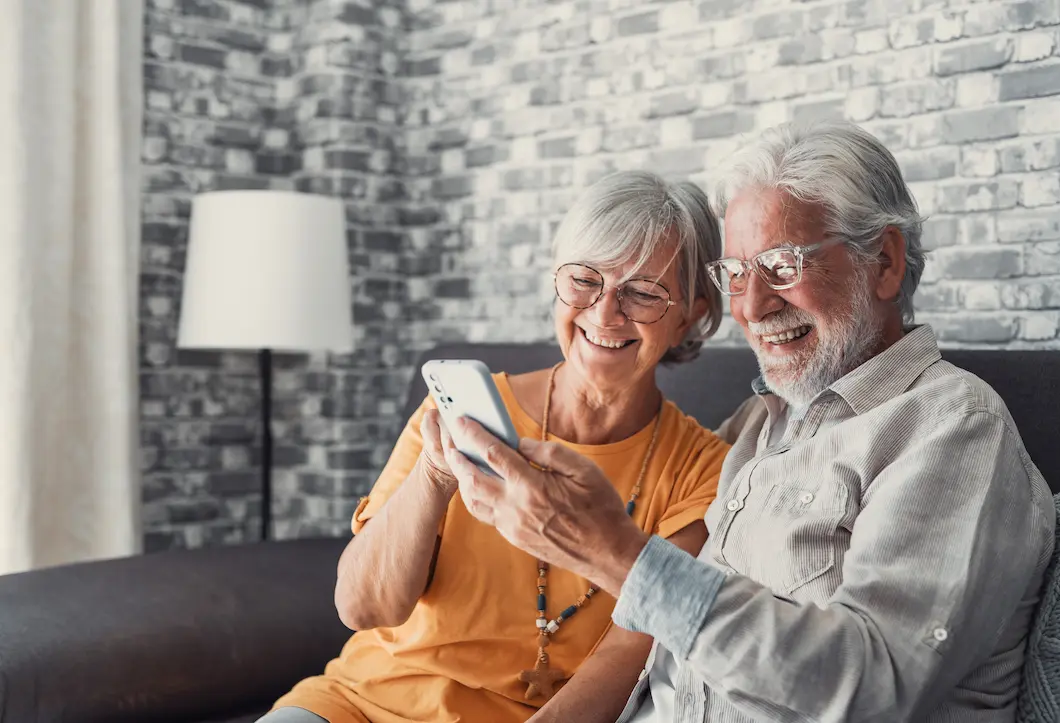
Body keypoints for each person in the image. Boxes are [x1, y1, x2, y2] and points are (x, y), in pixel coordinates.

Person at [445, 120, 1056, 722]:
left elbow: (874, 686)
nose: (753, 307)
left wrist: (616, 554)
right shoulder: (756, 426)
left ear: (885, 263)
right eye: (735, 274)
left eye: (782, 266)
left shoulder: (951, 427)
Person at [261, 170, 734, 723]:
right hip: (356, 705)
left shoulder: (704, 472)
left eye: (643, 293)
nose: (604, 314)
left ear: (693, 316)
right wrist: (436, 477)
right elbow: (362, 607)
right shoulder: (458, 412)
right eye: (584, 280)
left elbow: (628, 656)